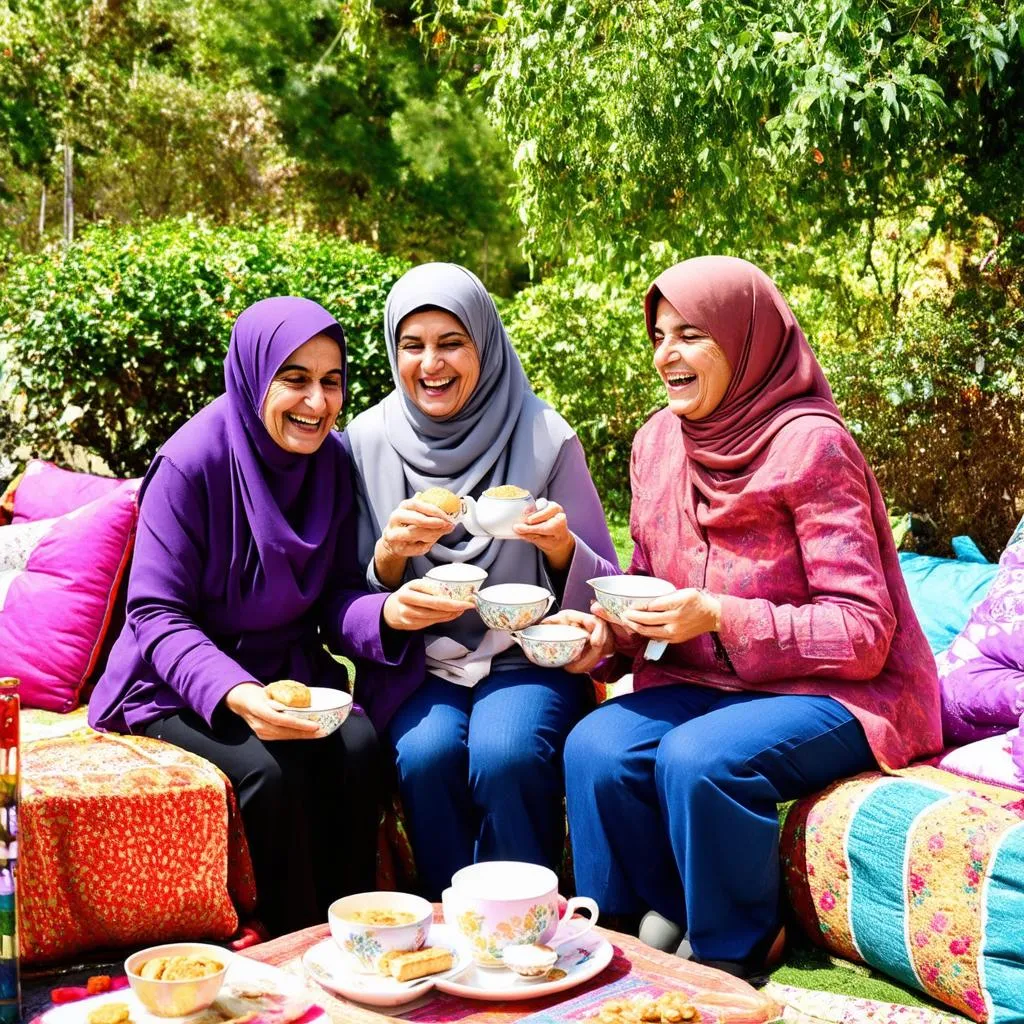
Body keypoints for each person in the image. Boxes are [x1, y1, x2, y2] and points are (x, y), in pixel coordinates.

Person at [553, 256, 942, 978]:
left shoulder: (812, 444)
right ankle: (639, 924)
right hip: (707, 681)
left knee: (701, 759)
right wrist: (607, 636)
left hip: (839, 691)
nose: (666, 353)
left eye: (691, 334)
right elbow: (648, 582)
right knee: (597, 744)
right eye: (659, 334)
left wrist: (721, 616)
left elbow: (863, 630)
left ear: (747, 339)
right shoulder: (657, 442)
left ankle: (738, 944)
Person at [88, 297, 424, 937]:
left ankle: (360, 938)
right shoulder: (191, 464)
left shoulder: (331, 463)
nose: (317, 403)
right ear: (252, 375)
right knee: (266, 775)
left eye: (331, 382)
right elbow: (156, 612)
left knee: (356, 749)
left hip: (286, 673)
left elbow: (335, 597)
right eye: (294, 379)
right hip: (176, 688)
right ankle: (295, 950)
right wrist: (236, 692)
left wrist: (387, 614)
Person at [344, 262, 619, 900]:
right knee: (427, 754)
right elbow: (347, 594)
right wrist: (389, 558)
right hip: (419, 664)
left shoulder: (545, 437)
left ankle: (527, 922)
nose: (430, 364)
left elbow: (608, 585)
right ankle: (452, 923)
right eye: (412, 346)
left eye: (451, 343)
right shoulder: (365, 441)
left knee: (507, 753)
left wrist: (559, 547)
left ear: (485, 345)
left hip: (528, 658)